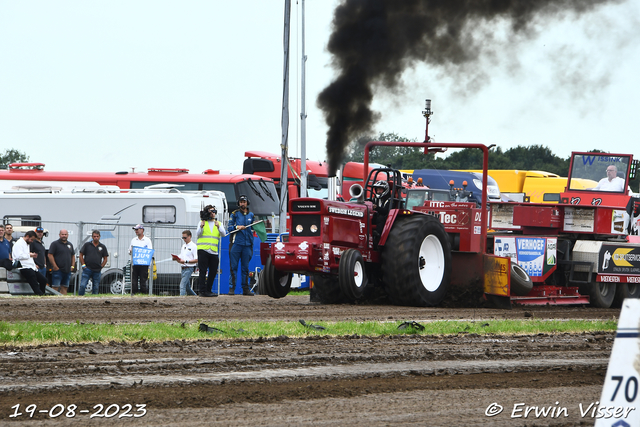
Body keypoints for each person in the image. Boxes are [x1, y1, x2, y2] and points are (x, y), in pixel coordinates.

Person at [196, 205, 227, 297]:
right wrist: (201, 227)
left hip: (213, 251)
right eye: (211, 211)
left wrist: (219, 227)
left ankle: (208, 290)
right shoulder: (202, 222)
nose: (213, 213)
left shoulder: (219, 223)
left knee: (213, 271)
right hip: (203, 249)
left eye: (214, 212)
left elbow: (224, 234)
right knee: (203, 271)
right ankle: (202, 291)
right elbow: (198, 234)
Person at [228, 195, 255, 296]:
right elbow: (229, 228)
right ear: (238, 203)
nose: (242, 204)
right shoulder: (234, 214)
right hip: (236, 244)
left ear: (247, 203)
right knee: (233, 267)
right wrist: (237, 227)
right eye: (241, 202)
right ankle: (231, 288)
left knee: (245, 268)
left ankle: (245, 289)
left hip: (248, 245)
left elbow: (254, 227)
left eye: (244, 202)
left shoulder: (252, 215)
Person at [12, 231, 48, 295]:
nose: (32, 241)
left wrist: (34, 265)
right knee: (32, 276)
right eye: (31, 239)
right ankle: (38, 293)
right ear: (27, 236)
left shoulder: (27, 244)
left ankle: (42, 293)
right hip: (22, 266)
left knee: (43, 280)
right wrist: (30, 255)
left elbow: (29, 258)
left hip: (30, 266)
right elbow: (18, 256)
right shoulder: (19, 244)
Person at [79, 230, 109, 296]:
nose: (96, 238)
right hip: (87, 269)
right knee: (83, 285)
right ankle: (80, 298)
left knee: (95, 287)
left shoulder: (102, 247)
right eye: (94, 236)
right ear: (92, 237)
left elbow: (105, 258)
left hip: (97, 270)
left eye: (97, 236)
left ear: (100, 237)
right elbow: (81, 255)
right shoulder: (87, 245)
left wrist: (101, 266)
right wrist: (83, 265)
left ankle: (94, 301)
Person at [48, 229, 75, 295]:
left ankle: (63, 302)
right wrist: (55, 266)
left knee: (65, 287)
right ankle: (53, 302)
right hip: (58, 270)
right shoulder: (55, 244)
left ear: (67, 235)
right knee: (55, 287)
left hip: (67, 270)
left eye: (65, 234)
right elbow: (50, 255)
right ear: (59, 235)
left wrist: (72, 266)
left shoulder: (70, 245)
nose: (64, 236)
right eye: (62, 234)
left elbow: (73, 256)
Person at [129, 224, 153, 295]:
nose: (136, 231)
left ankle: (144, 293)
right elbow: (129, 250)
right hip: (135, 263)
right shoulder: (133, 240)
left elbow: (149, 252)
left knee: (143, 280)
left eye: (137, 229)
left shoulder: (147, 240)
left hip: (144, 263)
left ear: (142, 230)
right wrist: (130, 251)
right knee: (134, 280)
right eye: (135, 230)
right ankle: (134, 293)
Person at [175, 230, 198, 296]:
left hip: (189, 268)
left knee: (182, 285)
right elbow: (182, 256)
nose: (184, 239)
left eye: (185, 238)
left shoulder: (194, 246)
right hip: (183, 268)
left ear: (190, 236)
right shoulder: (183, 246)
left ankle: (181, 299)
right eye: (183, 238)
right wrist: (176, 258)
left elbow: (196, 259)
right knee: (187, 287)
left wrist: (186, 261)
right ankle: (195, 297)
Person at [372, 180, 391, 247]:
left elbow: (386, 211)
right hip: (376, 216)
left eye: (380, 190)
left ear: (385, 190)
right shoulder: (375, 199)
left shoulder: (390, 200)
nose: (378, 192)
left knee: (380, 218)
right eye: (377, 190)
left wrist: (376, 208)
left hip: (387, 219)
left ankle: (378, 237)